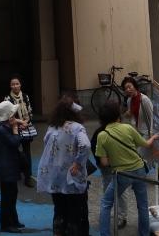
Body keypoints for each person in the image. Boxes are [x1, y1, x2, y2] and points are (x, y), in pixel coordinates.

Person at [94, 99, 159, 236]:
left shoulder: (102, 136)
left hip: (122, 174)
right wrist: (153, 138)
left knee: (106, 203)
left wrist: (116, 156)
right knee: (142, 205)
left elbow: (104, 163)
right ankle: (144, 233)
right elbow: (145, 144)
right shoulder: (128, 128)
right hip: (139, 169)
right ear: (117, 114)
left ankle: (105, 234)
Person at [37, 96, 92, 236]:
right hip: (71, 176)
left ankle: (59, 232)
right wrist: (78, 162)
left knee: (59, 209)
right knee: (75, 211)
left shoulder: (52, 127)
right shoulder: (77, 128)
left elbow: (46, 143)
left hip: (55, 176)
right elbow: (85, 145)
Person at [0, 100, 27, 233]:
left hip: (6, 166)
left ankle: (13, 220)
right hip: (7, 167)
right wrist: (16, 129)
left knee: (12, 194)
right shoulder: (2, 130)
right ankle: (6, 224)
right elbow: (15, 142)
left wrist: (17, 124)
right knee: (8, 197)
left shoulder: (0, 126)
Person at [4, 76, 38, 188]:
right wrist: (20, 123)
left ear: (20, 85)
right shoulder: (7, 98)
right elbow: (8, 115)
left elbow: (30, 111)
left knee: (27, 152)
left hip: (26, 126)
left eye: (17, 84)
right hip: (13, 127)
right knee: (14, 151)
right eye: (12, 84)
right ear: (10, 86)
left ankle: (28, 176)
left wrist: (26, 122)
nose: (15, 86)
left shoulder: (25, 96)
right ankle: (16, 171)